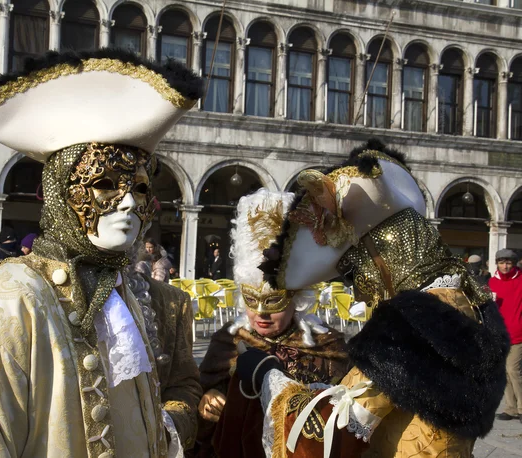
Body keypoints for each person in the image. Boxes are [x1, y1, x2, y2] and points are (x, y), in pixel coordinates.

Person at [0, 49, 203, 457]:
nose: (130, 202)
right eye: (105, 183)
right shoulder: (7, 306)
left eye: (140, 188)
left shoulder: (117, 292)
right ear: (64, 194)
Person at [235, 140, 509, 458]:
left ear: (382, 262)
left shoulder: (409, 325)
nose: (360, 292)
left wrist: (267, 376)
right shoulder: (467, 303)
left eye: (357, 271)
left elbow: (330, 432)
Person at [196, 189, 350, 458]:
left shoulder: (328, 345)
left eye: (273, 301)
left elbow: (343, 415)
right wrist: (207, 400)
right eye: (251, 299)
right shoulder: (227, 341)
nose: (260, 314)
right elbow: (204, 391)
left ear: (296, 296)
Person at [489, 249, 522, 422]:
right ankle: (511, 408)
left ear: (514, 263)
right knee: (505, 373)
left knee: (513, 370)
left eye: (508, 262)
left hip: (518, 333)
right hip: (500, 334)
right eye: (502, 262)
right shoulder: (492, 282)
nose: (505, 266)